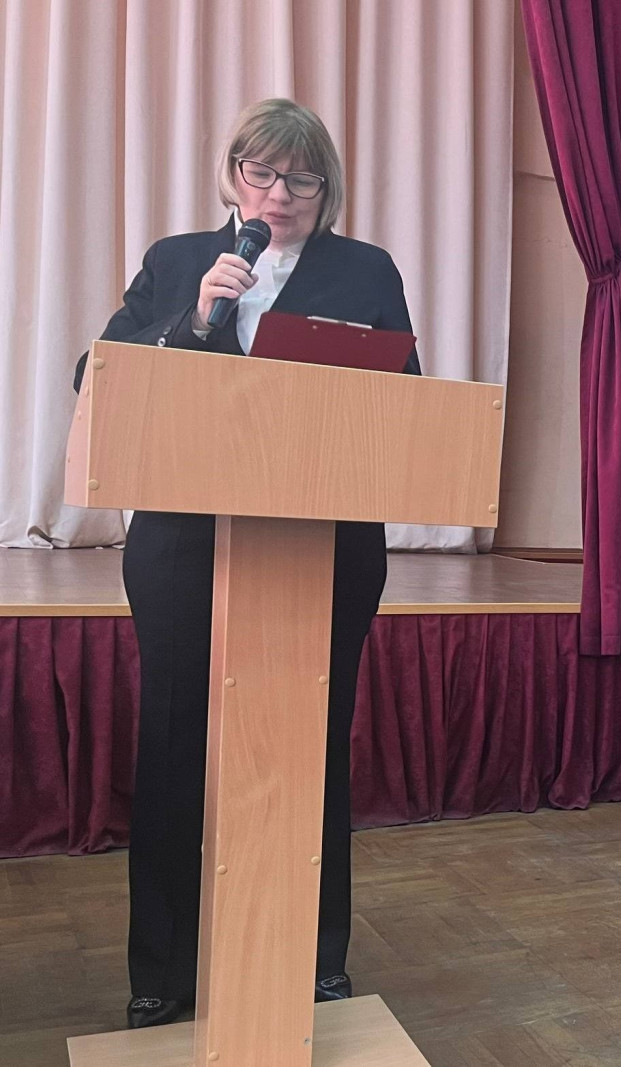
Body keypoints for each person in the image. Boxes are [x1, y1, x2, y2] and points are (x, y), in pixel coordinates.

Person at [73, 98, 419, 1030]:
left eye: (301, 178)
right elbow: (97, 376)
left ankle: (315, 957)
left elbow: (409, 403)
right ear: (233, 176)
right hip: (186, 545)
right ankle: (163, 969)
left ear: (326, 187)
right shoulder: (179, 261)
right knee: (175, 743)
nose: (279, 193)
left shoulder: (366, 271)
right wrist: (194, 320)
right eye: (260, 173)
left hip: (324, 544)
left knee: (312, 746)